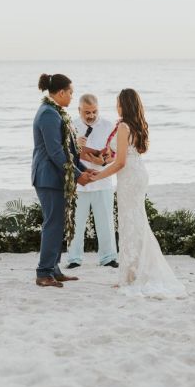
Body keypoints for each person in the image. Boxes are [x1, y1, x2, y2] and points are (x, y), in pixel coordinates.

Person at [91, 89, 187, 297]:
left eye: (117, 102)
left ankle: (130, 276)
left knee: (130, 222)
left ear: (124, 105)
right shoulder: (131, 125)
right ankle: (132, 273)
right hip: (136, 173)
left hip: (130, 176)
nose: (116, 106)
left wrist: (98, 176)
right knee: (135, 221)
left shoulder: (124, 127)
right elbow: (119, 156)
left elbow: (121, 162)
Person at [31, 73, 95, 288]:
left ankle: (53, 269)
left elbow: (69, 151)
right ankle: (43, 272)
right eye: (70, 93)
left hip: (57, 177)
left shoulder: (56, 111)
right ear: (60, 93)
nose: (71, 97)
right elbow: (55, 152)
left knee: (58, 224)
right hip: (48, 177)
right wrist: (78, 175)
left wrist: (84, 170)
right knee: (53, 224)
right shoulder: (49, 114)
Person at [66, 94, 118, 269]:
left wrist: (103, 161)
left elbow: (116, 154)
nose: (91, 115)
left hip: (102, 180)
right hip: (79, 182)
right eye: (87, 112)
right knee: (75, 223)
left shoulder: (109, 126)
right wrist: (74, 144)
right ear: (79, 110)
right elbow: (62, 154)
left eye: (94, 111)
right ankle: (74, 258)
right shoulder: (70, 125)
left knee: (106, 222)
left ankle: (109, 257)